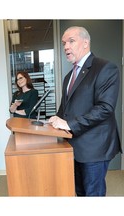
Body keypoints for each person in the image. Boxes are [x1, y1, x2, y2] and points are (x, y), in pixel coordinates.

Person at [48, 26, 122, 196]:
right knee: (80, 193)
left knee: (93, 195)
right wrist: (53, 120)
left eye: (71, 41)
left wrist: (69, 123)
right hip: (72, 146)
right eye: (64, 43)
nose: (66, 46)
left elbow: (105, 108)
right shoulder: (69, 76)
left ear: (85, 43)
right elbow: (65, 109)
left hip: (95, 148)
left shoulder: (105, 68)